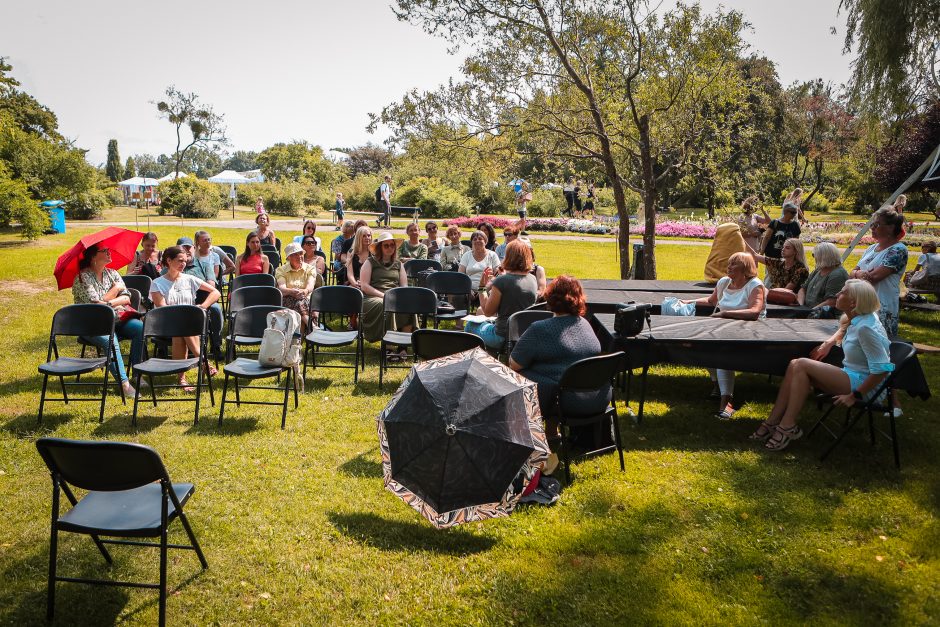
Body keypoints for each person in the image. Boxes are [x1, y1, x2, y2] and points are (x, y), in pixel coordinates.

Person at [750, 280, 894, 451]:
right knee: (795, 365)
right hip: (852, 376)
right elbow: (843, 328)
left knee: (801, 365)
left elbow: (884, 369)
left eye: (842, 292)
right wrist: (829, 342)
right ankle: (774, 422)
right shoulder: (859, 318)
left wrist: (854, 396)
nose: (837, 295)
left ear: (854, 302)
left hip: (867, 388)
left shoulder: (866, 328)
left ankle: (786, 426)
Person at [510, 275, 604, 435]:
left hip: (566, 401)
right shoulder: (585, 324)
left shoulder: (540, 329)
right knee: (553, 375)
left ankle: (526, 434)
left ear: (550, 298)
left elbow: (514, 363)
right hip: (597, 398)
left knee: (516, 376)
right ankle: (551, 431)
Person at [682, 252, 767, 419]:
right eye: (728, 264)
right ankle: (718, 386)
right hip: (722, 328)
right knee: (699, 347)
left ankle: (726, 402)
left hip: (750, 331)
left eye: (733, 265)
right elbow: (711, 301)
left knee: (722, 354)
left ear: (745, 268)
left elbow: (754, 312)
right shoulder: (724, 282)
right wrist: (688, 302)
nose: (728, 267)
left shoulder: (755, 285)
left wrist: (724, 314)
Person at [72, 243, 144, 398]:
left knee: (140, 329)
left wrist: (109, 303)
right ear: (93, 257)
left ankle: (137, 374)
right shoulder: (82, 277)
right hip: (92, 325)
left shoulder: (113, 273)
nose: (109, 252)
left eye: (108, 249)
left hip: (117, 320)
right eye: (104, 251)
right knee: (111, 340)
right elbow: (95, 305)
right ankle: (124, 384)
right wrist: (115, 289)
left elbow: (127, 298)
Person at [150, 246, 221, 390]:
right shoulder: (157, 283)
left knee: (182, 330)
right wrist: (181, 316)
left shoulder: (189, 279)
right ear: (169, 261)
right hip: (167, 323)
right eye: (179, 260)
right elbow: (163, 309)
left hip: (190, 323)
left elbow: (216, 292)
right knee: (181, 329)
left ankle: (182, 379)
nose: (183, 264)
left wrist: (203, 306)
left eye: (185, 261)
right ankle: (203, 362)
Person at [465, 240, 539, 350]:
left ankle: (477, 361)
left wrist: (482, 287)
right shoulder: (532, 279)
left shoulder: (502, 281)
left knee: (470, 325)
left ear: (508, 256)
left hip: (502, 336)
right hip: (523, 335)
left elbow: (488, 312)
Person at [850, 207, 907, 337]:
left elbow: (874, 277)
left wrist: (859, 274)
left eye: (877, 224)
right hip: (861, 303)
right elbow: (852, 273)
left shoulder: (898, 249)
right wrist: (859, 274)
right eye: (872, 224)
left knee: (880, 344)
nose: (872, 228)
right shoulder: (871, 248)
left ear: (891, 228)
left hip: (881, 307)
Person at [359, 232, 412, 349]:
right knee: (386, 304)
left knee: (409, 304)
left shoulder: (399, 264)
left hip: (394, 296)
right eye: (386, 245)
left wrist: (399, 297)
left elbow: (404, 286)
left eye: (392, 245)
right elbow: (364, 286)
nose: (390, 248)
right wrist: (384, 295)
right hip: (372, 296)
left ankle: (403, 346)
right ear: (380, 248)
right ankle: (390, 346)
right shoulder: (370, 262)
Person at [178, 236, 224, 360]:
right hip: (180, 302)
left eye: (189, 247)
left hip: (203, 300)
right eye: (183, 248)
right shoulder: (173, 267)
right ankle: (164, 348)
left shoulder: (204, 265)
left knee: (215, 309)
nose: (187, 251)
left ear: (194, 248)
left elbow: (211, 285)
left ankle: (216, 345)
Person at [276, 243, 321, 334]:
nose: (299, 256)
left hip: (307, 299)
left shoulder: (310, 268)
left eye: (300, 253)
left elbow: (310, 286)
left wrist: (304, 291)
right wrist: (292, 291)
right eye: (295, 254)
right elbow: (282, 288)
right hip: (287, 299)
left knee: (300, 302)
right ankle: (312, 326)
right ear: (289, 258)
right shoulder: (281, 270)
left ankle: (297, 344)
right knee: (297, 302)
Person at [798, 242, 849, 315]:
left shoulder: (837, 274)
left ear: (824, 257)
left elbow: (831, 302)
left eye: (814, 255)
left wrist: (808, 312)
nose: (814, 257)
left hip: (827, 316)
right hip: (810, 311)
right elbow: (803, 289)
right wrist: (801, 306)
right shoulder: (818, 270)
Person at [458, 230, 501, 300]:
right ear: (471, 242)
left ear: (485, 242)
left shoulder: (492, 255)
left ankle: (487, 311)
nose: (477, 241)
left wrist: (484, 290)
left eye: (480, 239)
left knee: (493, 294)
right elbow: (460, 275)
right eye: (474, 239)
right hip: (469, 287)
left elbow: (497, 275)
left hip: (487, 287)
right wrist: (467, 289)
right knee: (457, 295)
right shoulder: (466, 255)